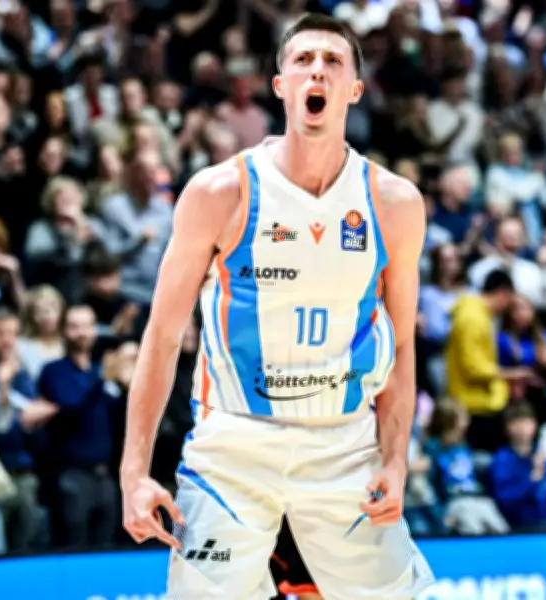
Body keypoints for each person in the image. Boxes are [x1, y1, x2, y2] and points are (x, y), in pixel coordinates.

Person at [121, 13, 433, 600]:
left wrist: (395, 461)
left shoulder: (394, 203)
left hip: (344, 446)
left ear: (354, 90)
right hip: (234, 444)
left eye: (333, 61)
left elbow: (400, 343)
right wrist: (133, 473)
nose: (317, 71)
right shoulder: (219, 192)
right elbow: (160, 337)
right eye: (303, 60)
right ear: (281, 85)